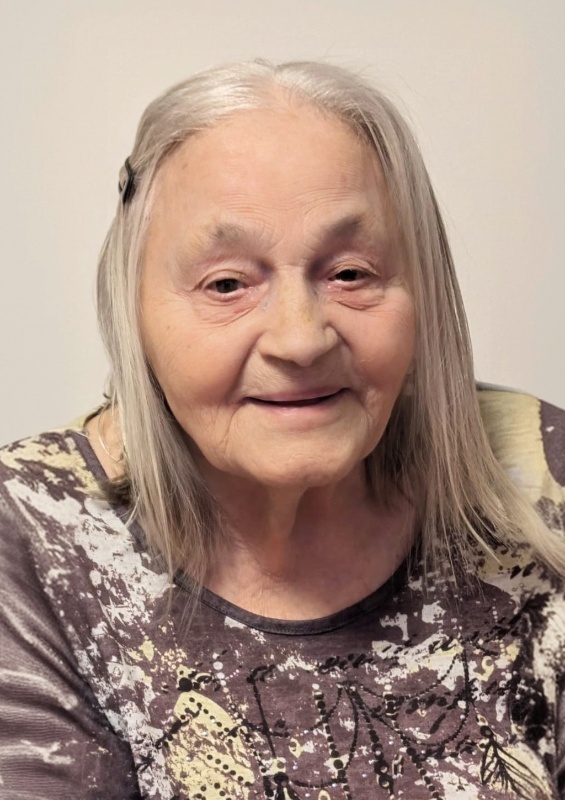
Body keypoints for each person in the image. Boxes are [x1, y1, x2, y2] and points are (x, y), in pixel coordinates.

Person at [1, 60, 565, 800]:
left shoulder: (542, 474)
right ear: (132, 310)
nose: (300, 340)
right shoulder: (33, 533)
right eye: (227, 284)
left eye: (351, 274)